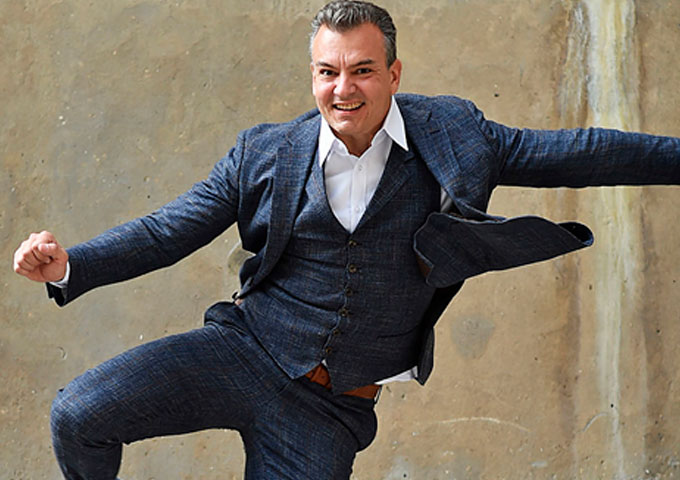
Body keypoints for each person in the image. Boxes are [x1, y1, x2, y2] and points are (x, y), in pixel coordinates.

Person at [12, 1, 680, 479]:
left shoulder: (456, 134)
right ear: (313, 76)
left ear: (394, 74)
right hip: (245, 352)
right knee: (79, 413)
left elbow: (580, 151)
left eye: (362, 70)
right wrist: (72, 264)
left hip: (330, 407)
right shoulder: (265, 153)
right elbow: (168, 229)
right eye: (328, 72)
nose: (343, 89)